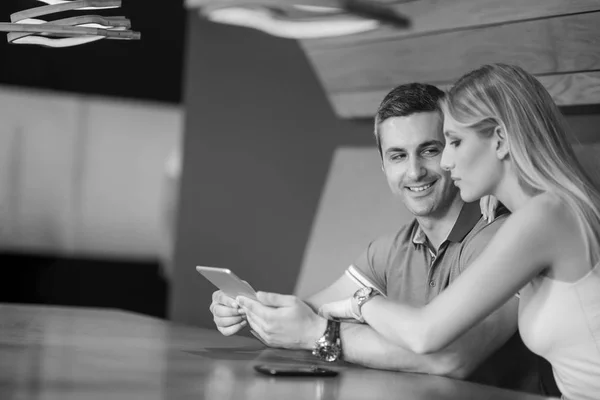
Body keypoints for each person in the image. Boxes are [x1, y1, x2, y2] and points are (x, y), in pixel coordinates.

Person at [210, 83, 539, 392]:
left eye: (429, 150)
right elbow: (309, 311)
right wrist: (248, 306)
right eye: (398, 156)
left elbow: (451, 359)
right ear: (383, 166)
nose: (414, 172)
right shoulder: (391, 248)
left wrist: (320, 334)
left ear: (453, 150)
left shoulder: (500, 235)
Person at [320, 64, 600, 400]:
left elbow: (426, 335)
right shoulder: (543, 211)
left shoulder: (542, 217)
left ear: (499, 140)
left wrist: (359, 304)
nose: (447, 163)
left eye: (451, 142)